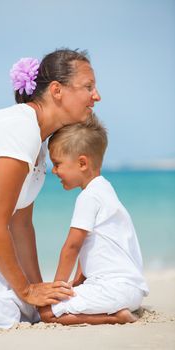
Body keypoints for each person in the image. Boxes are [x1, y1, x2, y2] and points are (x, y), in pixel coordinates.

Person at [0, 49, 101, 329]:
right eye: (88, 87)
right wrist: (27, 291)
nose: (96, 96)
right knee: (4, 311)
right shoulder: (20, 130)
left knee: (25, 310)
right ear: (57, 91)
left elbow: (21, 226)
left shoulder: (36, 140)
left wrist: (36, 295)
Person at [39, 115, 149, 325]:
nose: (54, 171)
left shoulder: (88, 197)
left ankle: (116, 317)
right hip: (132, 291)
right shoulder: (105, 189)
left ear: (82, 163)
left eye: (57, 164)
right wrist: (79, 281)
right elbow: (90, 244)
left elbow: (72, 246)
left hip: (112, 291)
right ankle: (116, 311)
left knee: (46, 312)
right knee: (66, 298)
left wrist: (57, 288)